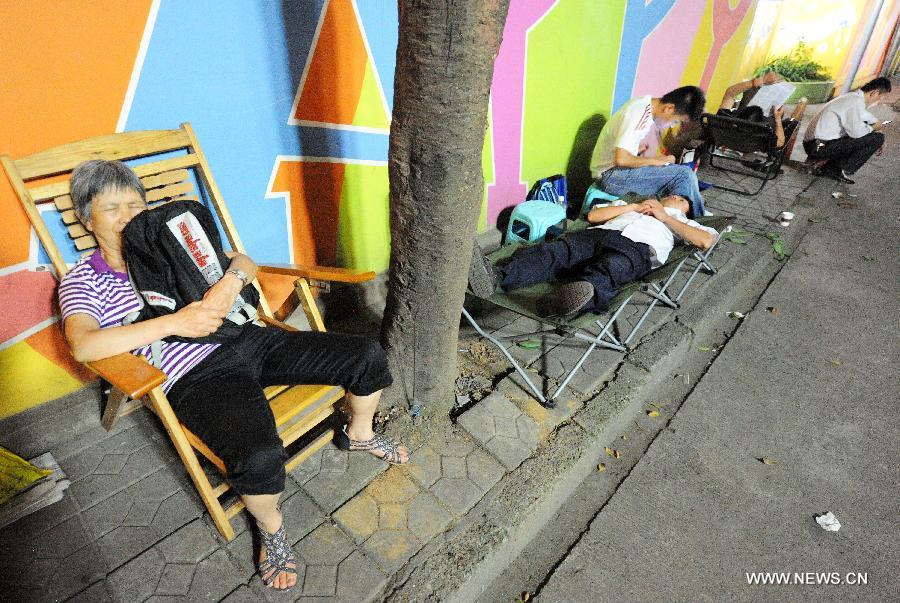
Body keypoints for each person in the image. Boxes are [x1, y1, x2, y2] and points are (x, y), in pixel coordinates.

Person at [58, 160, 408, 592]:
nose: (129, 214)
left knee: (365, 355)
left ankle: (358, 432)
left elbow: (241, 259)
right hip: (198, 376)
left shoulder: (169, 241)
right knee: (259, 457)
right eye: (112, 208)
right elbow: (84, 345)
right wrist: (174, 324)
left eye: (135, 203)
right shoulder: (84, 281)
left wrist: (229, 283)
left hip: (253, 340)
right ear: (86, 219)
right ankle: (273, 528)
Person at [469, 195, 718, 316]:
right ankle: (495, 279)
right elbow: (593, 217)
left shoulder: (686, 224)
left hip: (637, 249)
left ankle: (564, 300)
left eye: (683, 199)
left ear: (690, 209)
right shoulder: (630, 204)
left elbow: (706, 241)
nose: (677, 197)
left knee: (611, 269)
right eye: (673, 194)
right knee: (553, 252)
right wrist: (634, 207)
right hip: (598, 235)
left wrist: (664, 216)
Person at [590, 86, 709, 218]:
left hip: (616, 171)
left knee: (677, 174)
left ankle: (683, 217)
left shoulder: (643, 106)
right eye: (676, 120)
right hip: (611, 176)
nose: (671, 125)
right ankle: (696, 222)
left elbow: (622, 151)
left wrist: (639, 151)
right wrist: (655, 161)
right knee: (683, 175)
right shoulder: (639, 114)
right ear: (668, 108)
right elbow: (621, 160)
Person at [803, 77, 891, 184]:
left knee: (872, 134)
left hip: (815, 143)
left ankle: (832, 167)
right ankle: (834, 169)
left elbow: (866, 117)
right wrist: (873, 129)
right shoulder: (854, 102)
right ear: (874, 93)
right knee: (876, 139)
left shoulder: (852, 98)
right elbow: (857, 133)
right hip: (817, 146)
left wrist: (876, 127)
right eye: (880, 98)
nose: (879, 102)